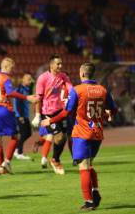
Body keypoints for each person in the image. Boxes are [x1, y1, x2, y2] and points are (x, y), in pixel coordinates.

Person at [41, 63, 116, 210]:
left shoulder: (77, 90)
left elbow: (66, 112)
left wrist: (50, 120)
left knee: (83, 167)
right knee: (89, 164)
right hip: (97, 133)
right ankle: (96, 192)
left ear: (82, 73)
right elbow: (113, 109)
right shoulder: (102, 90)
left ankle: (89, 201)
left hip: (82, 133)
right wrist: (107, 116)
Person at [0, 58, 38, 175]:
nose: (12, 71)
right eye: (12, 68)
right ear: (7, 67)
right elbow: (10, 93)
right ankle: (6, 162)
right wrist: (27, 97)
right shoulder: (6, 78)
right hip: (5, 109)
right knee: (16, 136)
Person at [32, 54, 72, 174]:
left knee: (63, 137)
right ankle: (54, 160)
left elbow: (71, 89)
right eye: (58, 63)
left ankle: (54, 159)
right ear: (51, 65)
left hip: (60, 111)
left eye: (61, 63)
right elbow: (38, 98)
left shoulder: (63, 76)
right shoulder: (43, 78)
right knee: (59, 136)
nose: (61, 65)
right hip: (48, 113)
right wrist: (37, 115)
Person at [13, 73, 33, 160]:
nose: (30, 81)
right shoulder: (20, 89)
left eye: (30, 79)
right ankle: (18, 151)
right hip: (20, 115)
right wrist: (20, 115)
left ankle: (17, 150)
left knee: (28, 133)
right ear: (23, 80)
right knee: (24, 133)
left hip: (24, 115)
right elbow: (17, 102)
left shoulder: (27, 89)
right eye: (28, 79)